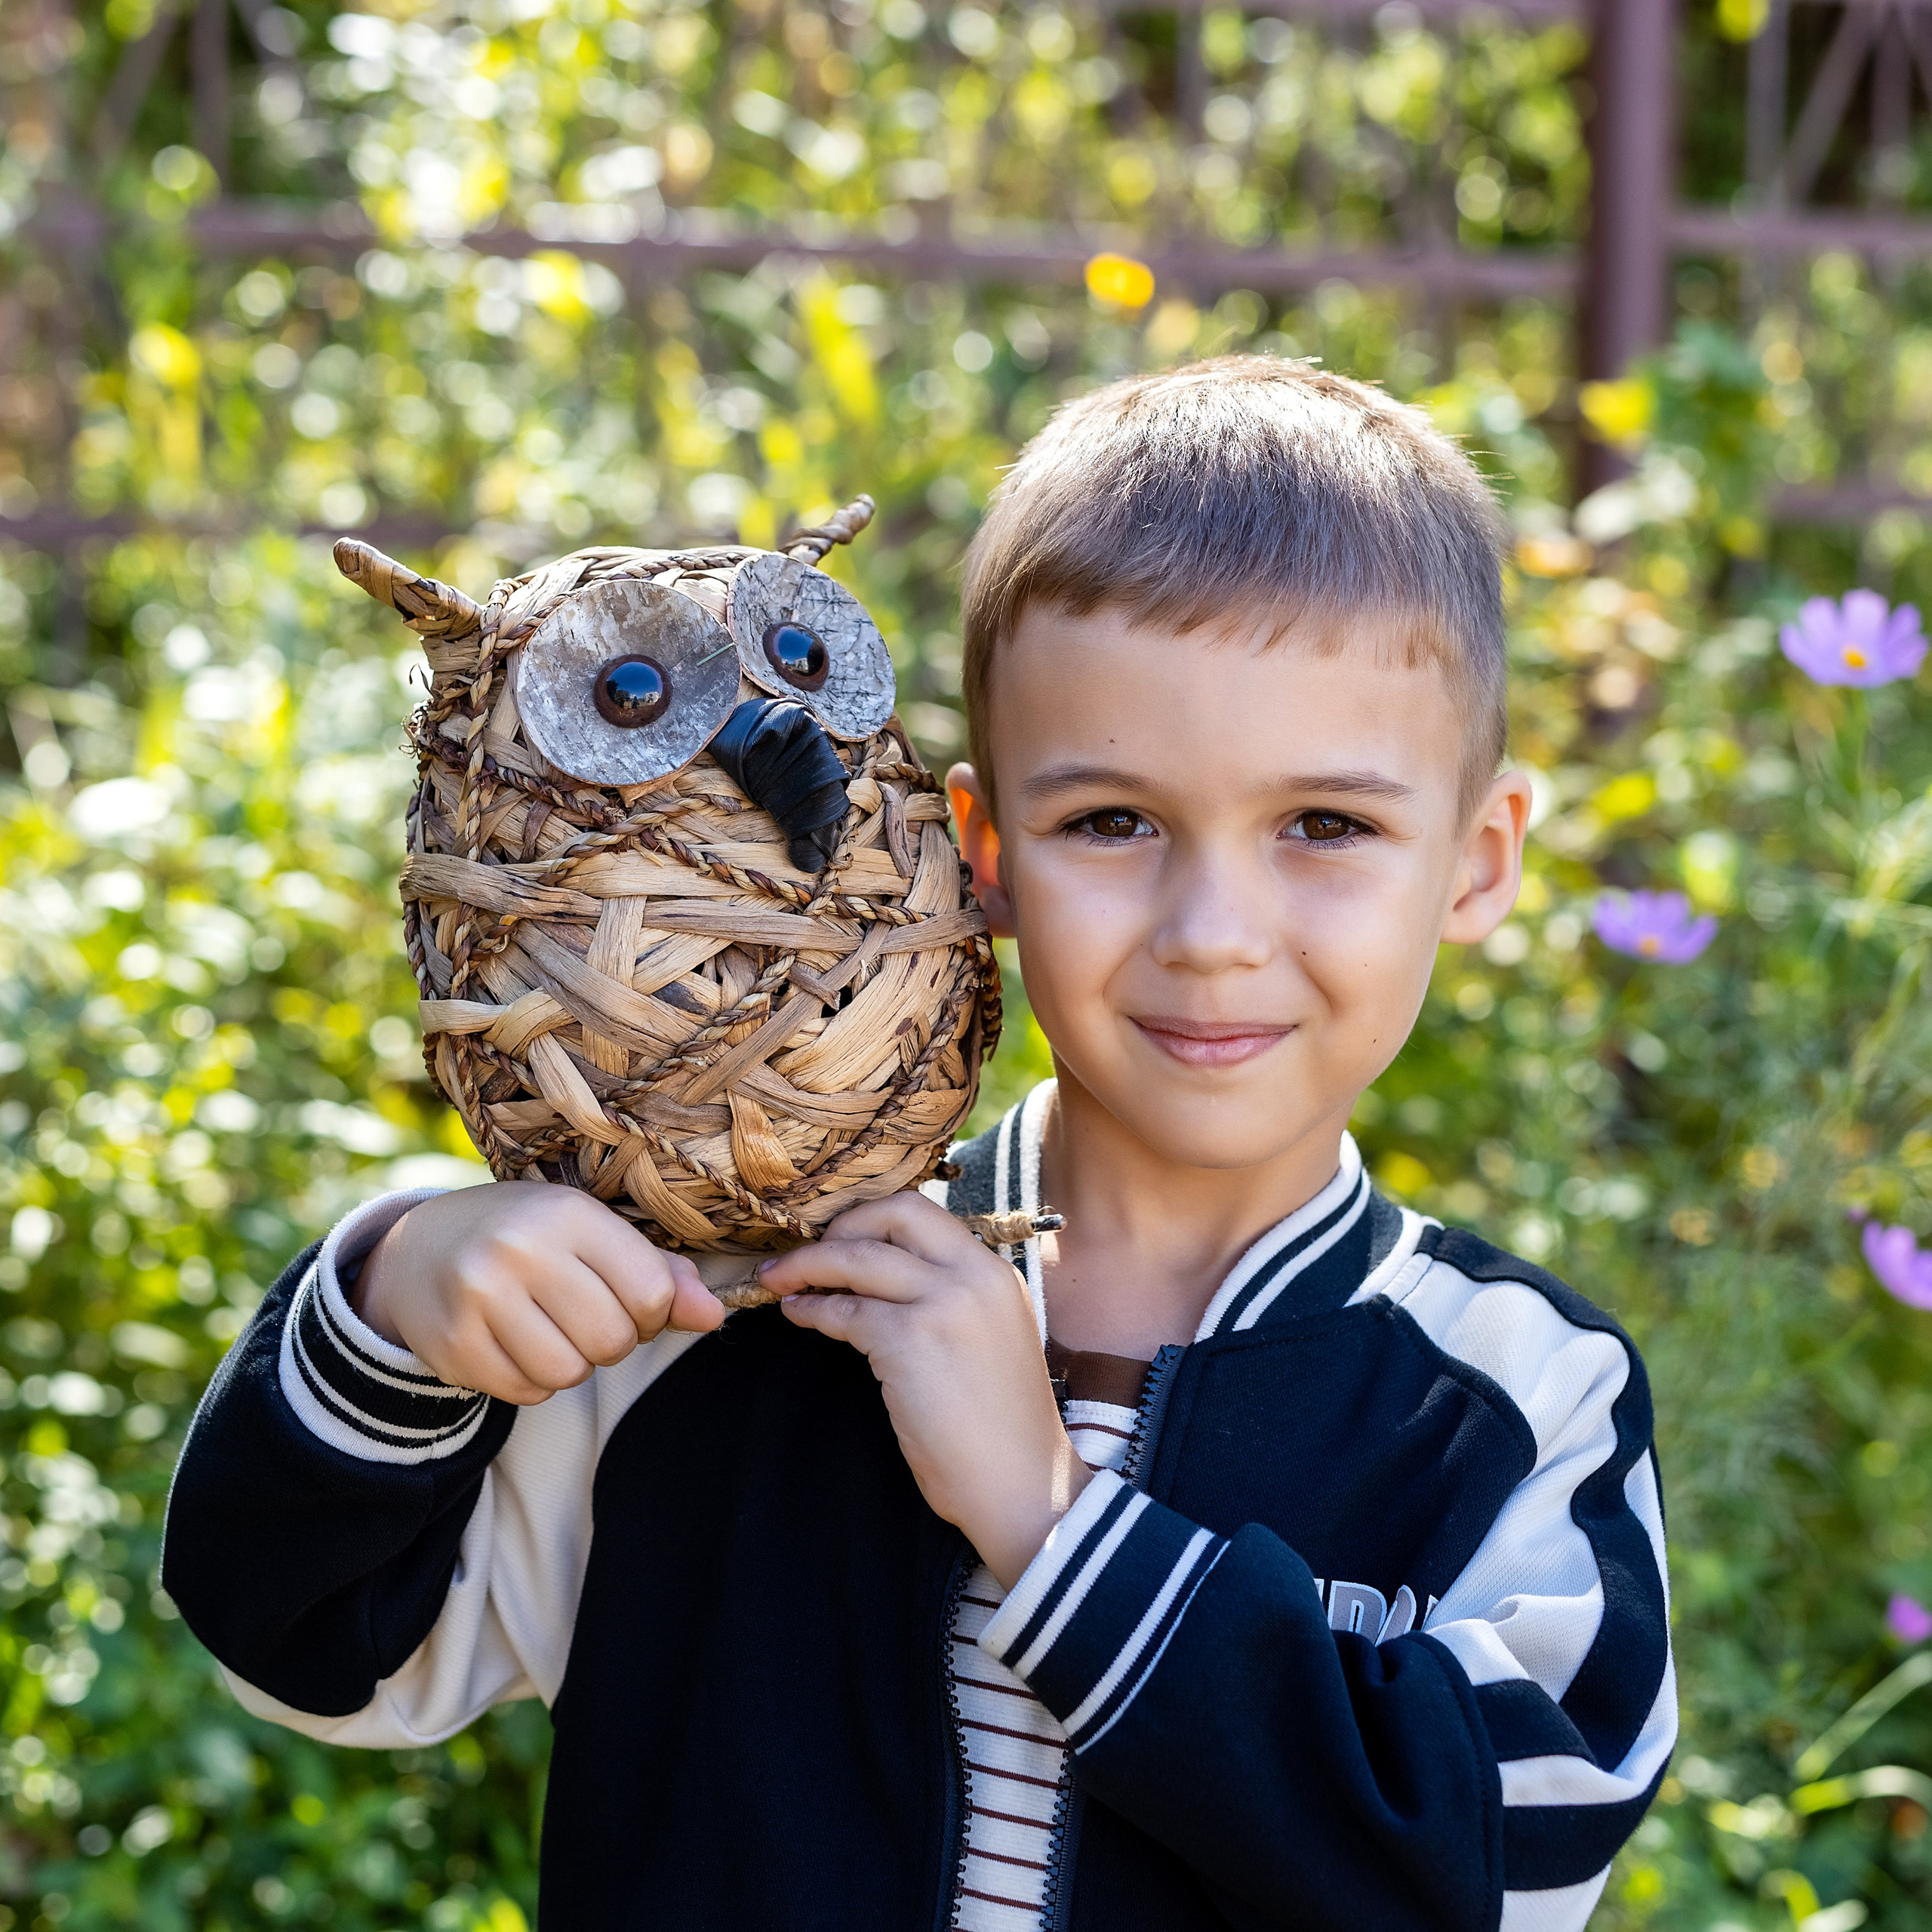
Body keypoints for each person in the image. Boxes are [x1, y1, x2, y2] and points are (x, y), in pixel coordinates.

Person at [165, 357, 1674, 1932]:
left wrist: (1046, 1519)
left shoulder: (1512, 1393)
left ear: (1476, 859)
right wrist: (391, 1305)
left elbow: (1500, 1863)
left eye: (1326, 825)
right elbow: (312, 1647)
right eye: (1113, 821)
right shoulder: (732, 1302)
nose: (1213, 933)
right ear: (981, 852)